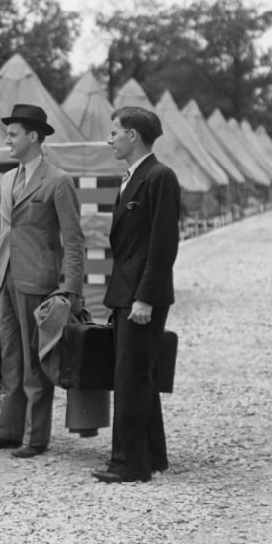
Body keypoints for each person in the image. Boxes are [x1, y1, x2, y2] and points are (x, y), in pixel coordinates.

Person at [0, 104, 85, 458]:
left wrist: (72, 290)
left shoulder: (59, 181)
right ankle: (8, 431)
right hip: (5, 280)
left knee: (36, 361)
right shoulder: (7, 180)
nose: (7, 139)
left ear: (33, 136)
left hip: (38, 282)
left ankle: (35, 438)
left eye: (13, 134)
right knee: (10, 357)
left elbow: (74, 240)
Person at [92, 106, 180, 483]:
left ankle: (128, 465)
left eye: (115, 132)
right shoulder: (131, 177)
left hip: (142, 295)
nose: (109, 138)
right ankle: (152, 456)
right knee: (138, 375)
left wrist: (145, 297)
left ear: (133, 136)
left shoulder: (160, 177)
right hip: (126, 291)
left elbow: (163, 244)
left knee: (131, 378)